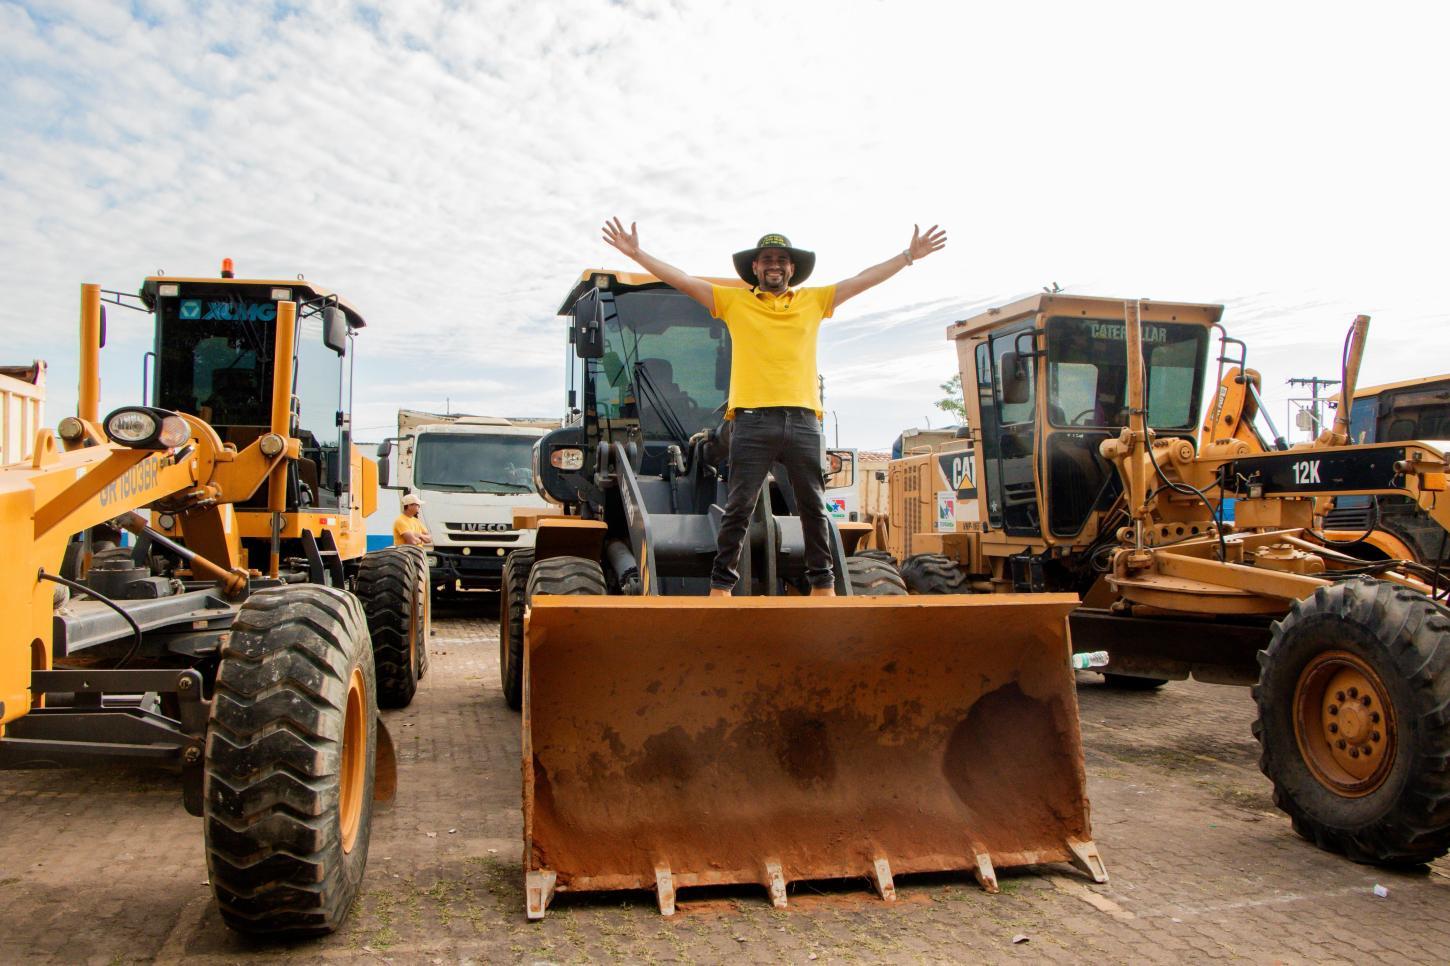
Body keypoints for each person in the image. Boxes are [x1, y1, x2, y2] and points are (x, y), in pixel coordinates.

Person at [601, 219, 947, 597]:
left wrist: (909, 256)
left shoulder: (814, 301)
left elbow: (863, 279)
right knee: (739, 507)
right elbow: (682, 279)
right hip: (751, 420)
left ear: (792, 268)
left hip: (803, 421)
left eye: (781, 259)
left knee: (813, 507)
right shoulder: (733, 301)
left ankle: (823, 588)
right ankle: (720, 589)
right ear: (755, 267)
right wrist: (636, 254)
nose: (774, 265)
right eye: (767, 259)